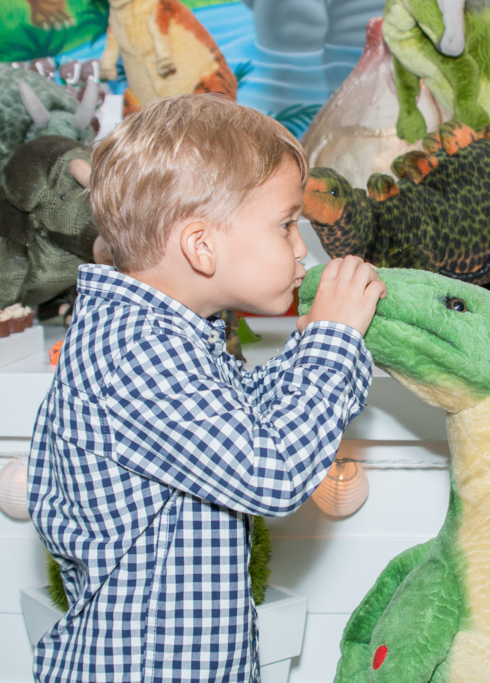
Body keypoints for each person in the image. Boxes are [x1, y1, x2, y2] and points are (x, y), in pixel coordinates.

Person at [27, 93, 386, 682]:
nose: (302, 248)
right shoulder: (136, 353)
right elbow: (270, 471)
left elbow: (248, 415)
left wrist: (315, 344)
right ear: (202, 246)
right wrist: (334, 340)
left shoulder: (167, 336)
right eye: (286, 225)